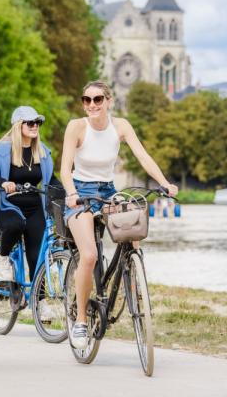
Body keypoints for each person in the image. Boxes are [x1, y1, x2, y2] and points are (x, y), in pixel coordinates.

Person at [60, 81, 178, 349]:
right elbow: (65, 169)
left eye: (98, 99)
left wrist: (165, 183)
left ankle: (135, 284)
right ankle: (80, 320)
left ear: (109, 101)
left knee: (133, 230)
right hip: (80, 192)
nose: (92, 105)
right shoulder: (76, 127)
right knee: (89, 255)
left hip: (108, 190)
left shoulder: (121, 126)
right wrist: (70, 192)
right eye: (87, 100)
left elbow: (143, 157)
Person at [0, 106, 62, 321]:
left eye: (38, 122)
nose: (35, 126)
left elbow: (51, 179)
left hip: (35, 206)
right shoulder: (3, 149)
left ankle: (41, 302)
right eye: (30, 123)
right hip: (9, 205)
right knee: (15, 225)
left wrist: (68, 192)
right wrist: (4, 182)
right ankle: (2, 259)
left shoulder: (42, 151)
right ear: (19, 125)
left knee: (37, 256)